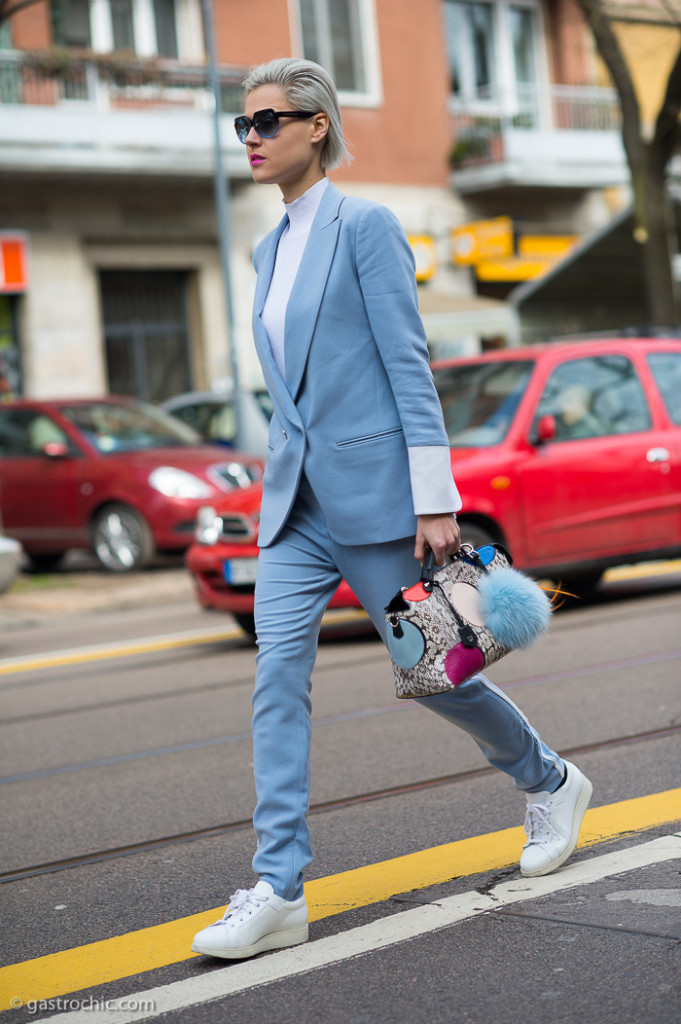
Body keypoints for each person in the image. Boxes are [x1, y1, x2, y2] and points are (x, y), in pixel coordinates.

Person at [191, 58, 592, 961]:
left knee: (437, 674)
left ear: (317, 126)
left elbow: (407, 364)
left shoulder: (364, 226)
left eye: (267, 121)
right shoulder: (265, 250)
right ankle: (278, 885)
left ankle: (550, 779)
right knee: (274, 681)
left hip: (374, 500)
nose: (250, 137)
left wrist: (433, 494)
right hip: (294, 505)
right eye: (241, 125)